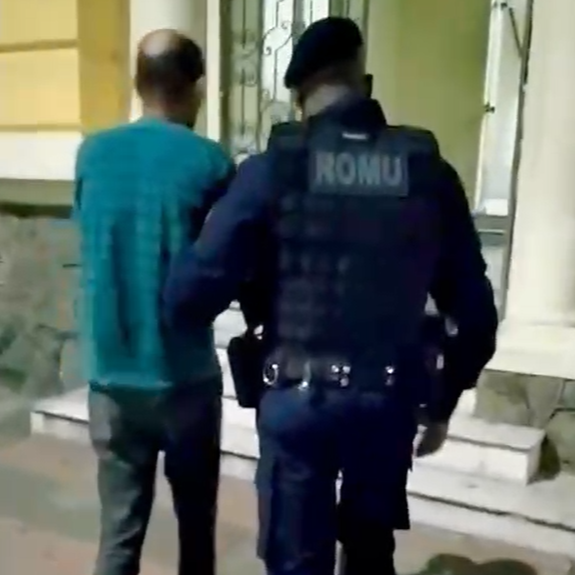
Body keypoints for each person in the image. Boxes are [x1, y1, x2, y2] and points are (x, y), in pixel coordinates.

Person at [163, 16, 498, 575]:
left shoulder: (271, 172)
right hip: (387, 405)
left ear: (298, 96)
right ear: (364, 83)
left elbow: (187, 298)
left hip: (298, 407)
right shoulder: (427, 173)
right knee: (370, 557)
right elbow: (477, 317)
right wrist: (442, 403)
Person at [74, 29, 234, 575]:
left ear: (138, 84)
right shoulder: (210, 162)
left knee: (118, 535)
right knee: (196, 533)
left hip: (111, 378)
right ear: (196, 88)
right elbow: (227, 264)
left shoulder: (92, 155)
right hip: (184, 377)